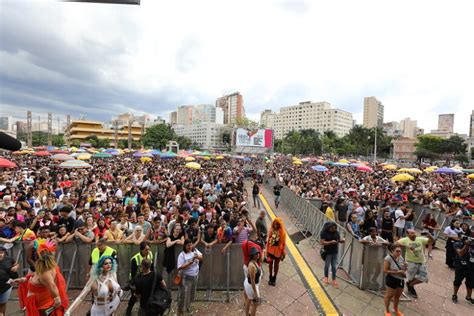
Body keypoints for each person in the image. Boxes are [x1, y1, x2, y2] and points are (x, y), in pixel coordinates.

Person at [15, 240, 69, 316]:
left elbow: (52, 285)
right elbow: (37, 275)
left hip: (43, 307)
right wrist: (25, 279)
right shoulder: (44, 267)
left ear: (37, 255)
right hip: (41, 305)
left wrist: (57, 299)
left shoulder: (45, 271)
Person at [395, 229, 433, 298]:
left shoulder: (420, 239)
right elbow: (396, 243)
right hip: (410, 262)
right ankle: (411, 287)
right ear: (407, 234)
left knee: (424, 278)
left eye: (414, 233)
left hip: (421, 261)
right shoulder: (405, 239)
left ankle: (410, 285)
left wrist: (430, 236)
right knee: (410, 277)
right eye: (412, 233)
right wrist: (406, 246)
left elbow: (431, 241)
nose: (414, 234)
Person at [125, 241, 154, 316]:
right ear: (141, 250)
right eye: (146, 250)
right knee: (134, 296)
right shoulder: (135, 259)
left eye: (149, 249)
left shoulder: (150, 254)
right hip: (136, 280)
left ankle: (144, 310)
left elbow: (152, 268)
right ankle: (129, 309)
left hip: (146, 279)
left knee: (146, 297)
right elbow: (134, 273)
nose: (148, 251)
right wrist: (135, 284)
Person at [177, 239, 203, 316]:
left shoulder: (195, 251)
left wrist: (197, 256)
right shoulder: (182, 255)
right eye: (188, 245)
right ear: (185, 246)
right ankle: (180, 311)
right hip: (186, 277)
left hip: (195, 276)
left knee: (191, 294)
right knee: (183, 295)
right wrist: (189, 263)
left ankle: (188, 308)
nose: (190, 247)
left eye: (191, 245)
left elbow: (202, 257)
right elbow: (179, 267)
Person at [451, 231, 474, 304]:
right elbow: (460, 253)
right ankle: (454, 295)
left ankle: (468, 297)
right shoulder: (457, 244)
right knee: (458, 281)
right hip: (461, 265)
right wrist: (467, 244)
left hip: (472, 266)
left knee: (471, 283)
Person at [383, 245, 407, 316]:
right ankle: (387, 310)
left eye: (400, 251)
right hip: (392, 279)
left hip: (400, 279)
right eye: (397, 251)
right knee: (389, 295)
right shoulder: (388, 258)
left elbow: (403, 269)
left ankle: (396, 309)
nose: (399, 253)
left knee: (397, 295)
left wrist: (405, 266)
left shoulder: (401, 257)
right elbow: (385, 270)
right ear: (392, 251)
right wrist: (397, 272)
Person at [320, 221, 345, 287]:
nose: (334, 229)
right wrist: (330, 242)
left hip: (335, 251)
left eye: (335, 228)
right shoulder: (323, 232)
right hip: (327, 252)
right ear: (329, 228)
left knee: (334, 266)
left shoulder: (336, 232)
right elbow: (322, 242)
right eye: (332, 228)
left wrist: (341, 240)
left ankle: (334, 279)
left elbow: (338, 239)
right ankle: (326, 278)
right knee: (327, 265)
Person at [266, 217, 286, 286]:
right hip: (271, 250)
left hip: (278, 251)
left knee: (276, 265)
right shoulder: (271, 231)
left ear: (279, 225)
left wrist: (283, 253)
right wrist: (267, 251)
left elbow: (283, 243)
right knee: (270, 264)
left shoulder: (282, 233)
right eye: (274, 224)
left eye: (277, 224)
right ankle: (270, 276)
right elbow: (268, 241)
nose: (275, 226)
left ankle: (274, 278)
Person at [0, 245, 19, 316]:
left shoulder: (9, 259)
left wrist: (15, 267)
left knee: (2, 304)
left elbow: (16, 264)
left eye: (1, 252)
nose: (0, 254)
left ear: (4, 253)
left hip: (6, 286)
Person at [244, 247, 262, 316]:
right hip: (251, 286)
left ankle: (247, 314)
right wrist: (256, 293)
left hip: (249, 285)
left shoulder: (254, 261)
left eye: (258, 253)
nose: (257, 255)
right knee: (255, 304)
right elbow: (252, 281)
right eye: (255, 254)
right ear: (252, 255)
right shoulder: (252, 266)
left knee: (249, 299)